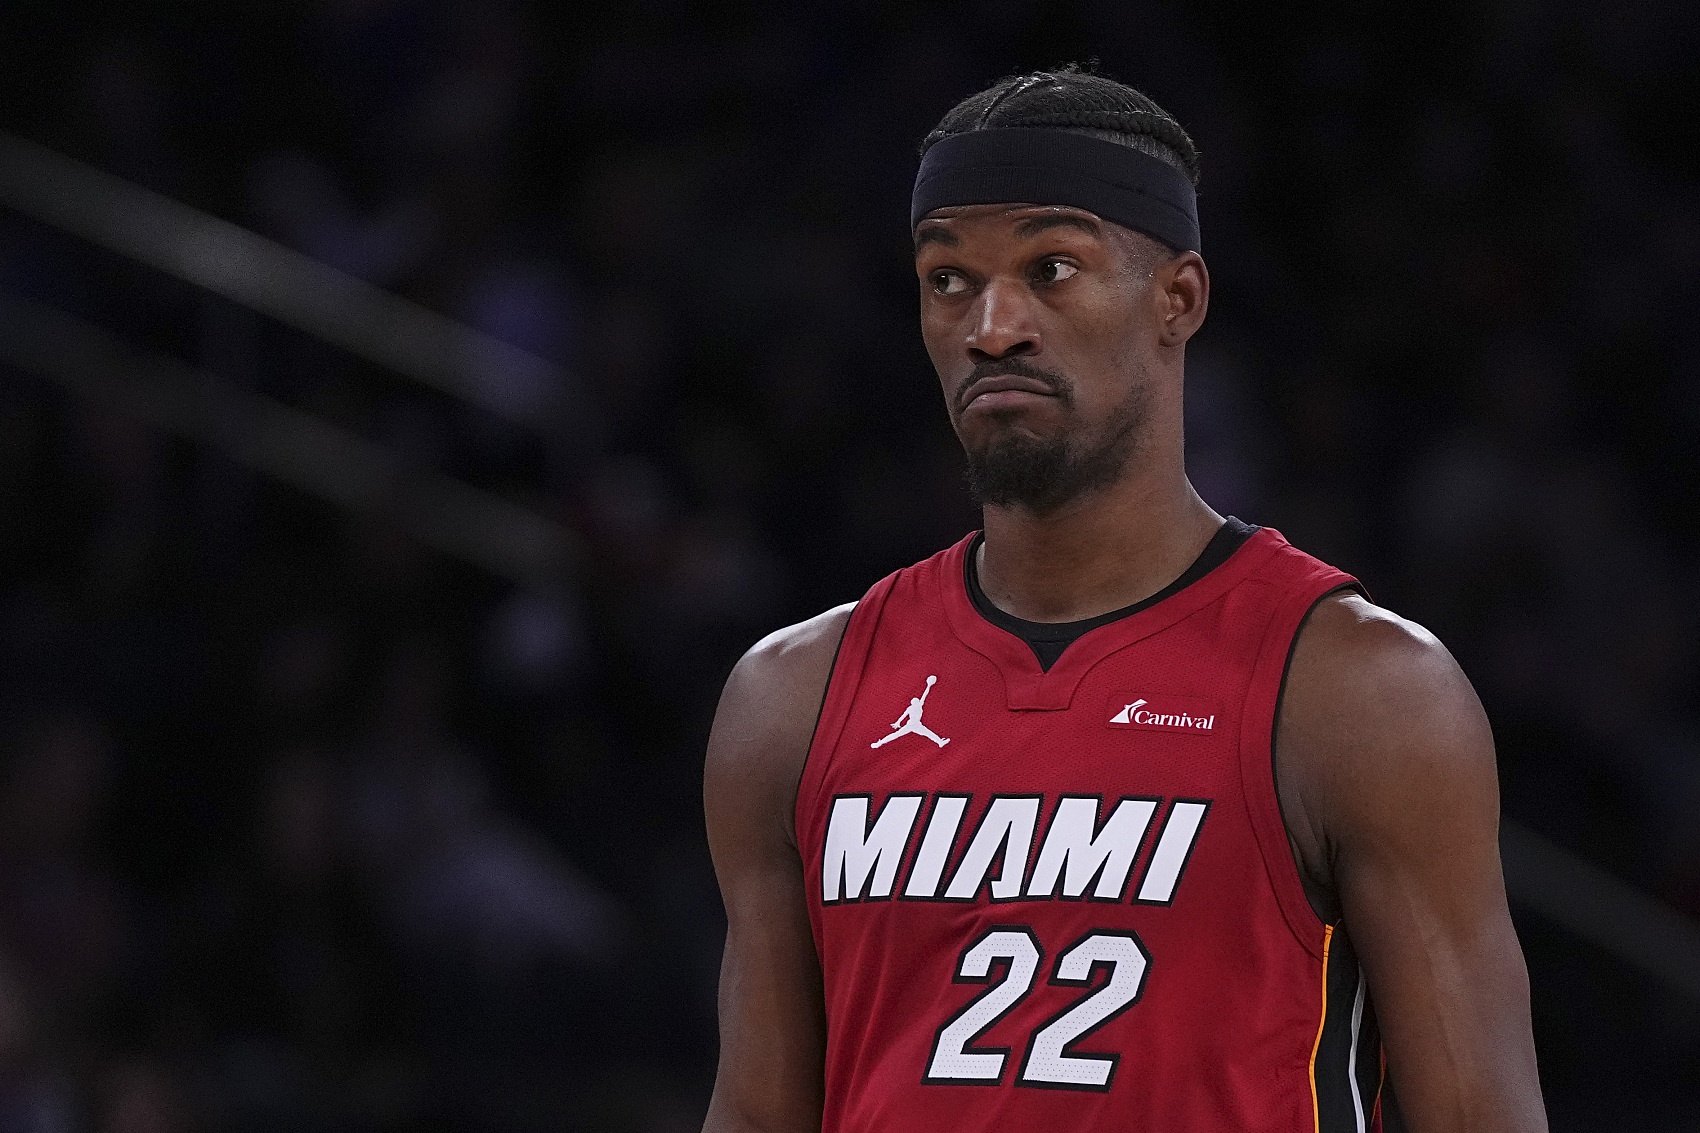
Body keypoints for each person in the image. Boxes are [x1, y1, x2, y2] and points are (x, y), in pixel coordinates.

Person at [701, 67, 1547, 1133]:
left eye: (1051, 269)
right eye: (947, 278)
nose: (991, 326)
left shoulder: (1359, 692)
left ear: (1176, 299)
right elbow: (753, 1112)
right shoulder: (792, 697)